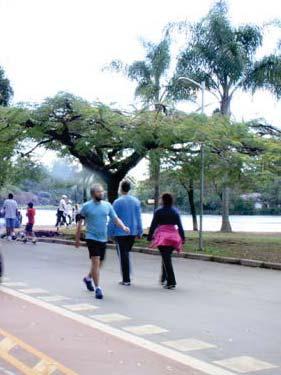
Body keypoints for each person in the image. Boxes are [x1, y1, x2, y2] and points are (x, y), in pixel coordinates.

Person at [75, 184, 130, 300]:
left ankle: (88, 278)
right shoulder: (86, 206)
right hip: (91, 237)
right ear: (93, 194)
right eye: (99, 192)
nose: (102, 193)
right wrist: (77, 238)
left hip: (102, 238)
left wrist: (123, 227)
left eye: (102, 191)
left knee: (100, 263)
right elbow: (79, 222)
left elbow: (115, 219)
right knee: (95, 262)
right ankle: (98, 288)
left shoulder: (107, 205)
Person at [147, 193, 185, 290]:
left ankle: (171, 282)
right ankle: (164, 278)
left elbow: (153, 225)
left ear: (163, 200)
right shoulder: (175, 211)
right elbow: (180, 226)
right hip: (173, 237)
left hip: (162, 237)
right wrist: (183, 238)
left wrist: (150, 236)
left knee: (166, 258)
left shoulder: (158, 211)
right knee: (166, 257)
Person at [108, 180, 143, 286]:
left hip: (120, 232)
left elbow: (114, 218)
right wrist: (140, 231)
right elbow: (139, 218)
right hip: (132, 232)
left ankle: (126, 278)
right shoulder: (136, 201)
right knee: (125, 253)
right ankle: (127, 274)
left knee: (123, 255)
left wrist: (109, 233)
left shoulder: (117, 202)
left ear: (121, 188)